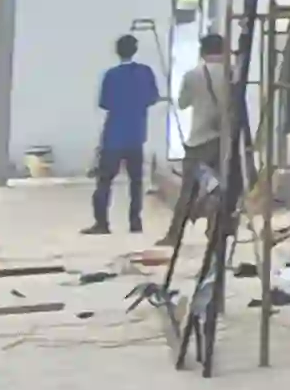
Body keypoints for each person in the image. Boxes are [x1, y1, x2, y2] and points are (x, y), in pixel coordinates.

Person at [88, 31, 161, 235]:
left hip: (114, 135)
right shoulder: (146, 72)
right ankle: (135, 222)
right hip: (136, 134)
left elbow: (104, 103)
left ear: (117, 51)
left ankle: (102, 223)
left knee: (105, 180)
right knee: (136, 181)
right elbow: (153, 98)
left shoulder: (111, 75)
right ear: (135, 50)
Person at [174, 28, 239, 229]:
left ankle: (175, 232)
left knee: (188, 188)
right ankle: (216, 229)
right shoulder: (234, 73)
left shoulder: (192, 75)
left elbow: (182, 103)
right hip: (226, 139)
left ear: (202, 52)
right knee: (223, 186)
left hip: (200, 139)